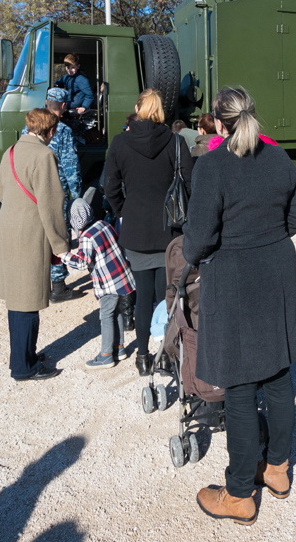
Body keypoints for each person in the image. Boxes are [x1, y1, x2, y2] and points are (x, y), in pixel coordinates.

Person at [183, 86, 296, 525]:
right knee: (276, 374)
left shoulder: (212, 166)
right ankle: (277, 469)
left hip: (234, 276)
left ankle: (239, 494)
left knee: (239, 386)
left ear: (218, 122)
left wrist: (203, 256)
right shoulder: (279, 158)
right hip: (276, 272)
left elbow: (197, 238)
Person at [102, 88, 193, 376]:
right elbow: (189, 185)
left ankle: (142, 356)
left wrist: (123, 211)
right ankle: (166, 353)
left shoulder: (120, 142)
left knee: (142, 298)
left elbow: (110, 187)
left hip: (137, 228)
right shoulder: (176, 142)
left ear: (138, 108)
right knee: (168, 296)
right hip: (169, 229)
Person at [0, 108, 69, 382]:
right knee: (27, 301)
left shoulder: (11, 151)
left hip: (8, 227)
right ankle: (23, 367)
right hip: (30, 230)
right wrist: (60, 244)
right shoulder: (44, 155)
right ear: (50, 131)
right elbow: (51, 205)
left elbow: (2, 192)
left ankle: (23, 355)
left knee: (18, 299)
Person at [66, 198, 135, 369]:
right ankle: (119, 349)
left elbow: (82, 263)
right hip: (122, 277)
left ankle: (105, 355)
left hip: (108, 283)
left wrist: (65, 256)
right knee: (116, 312)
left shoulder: (86, 237)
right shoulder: (103, 225)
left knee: (105, 315)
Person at [44, 88, 82, 303]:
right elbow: (70, 167)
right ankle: (58, 287)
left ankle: (43, 281)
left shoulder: (28, 128)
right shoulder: (63, 130)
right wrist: (76, 196)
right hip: (58, 194)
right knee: (60, 237)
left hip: (37, 193)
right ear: (64, 106)